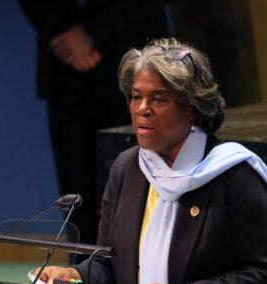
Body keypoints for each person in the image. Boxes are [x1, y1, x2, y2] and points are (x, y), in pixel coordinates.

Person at [33, 38, 267, 284]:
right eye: (136, 97)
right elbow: (109, 265)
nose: (142, 109)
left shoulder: (232, 173)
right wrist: (73, 274)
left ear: (191, 107)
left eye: (158, 98)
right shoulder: (128, 168)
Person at [18, 0, 168, 245]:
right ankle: (83, 275)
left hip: (137, 59)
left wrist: (94, 34)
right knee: (78, 197)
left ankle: (141, 275)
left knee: (141, 190)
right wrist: (61, 30)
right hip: (65, 68)